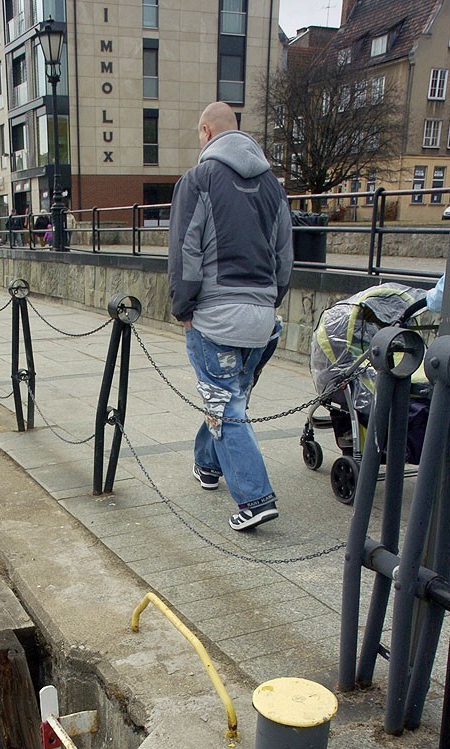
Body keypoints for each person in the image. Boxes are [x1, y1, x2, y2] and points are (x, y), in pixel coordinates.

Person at [168, 101, 293, 531]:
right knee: (228, 399)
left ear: (206, 132)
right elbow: (284, 256)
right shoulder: (274, 188)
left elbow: (185, 249)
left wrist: (183, 307)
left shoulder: (199, 180)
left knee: (226, 405)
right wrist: (270, 302)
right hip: (261, 319)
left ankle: (255, 499)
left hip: (216, 317)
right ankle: (208, 465)